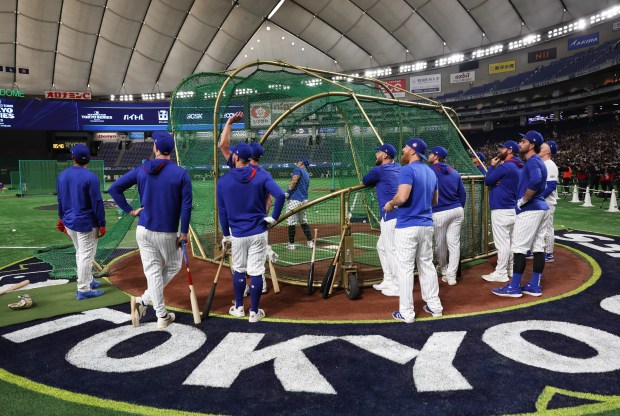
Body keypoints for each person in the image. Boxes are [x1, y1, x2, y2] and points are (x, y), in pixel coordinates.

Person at [109, 131, 192, 329]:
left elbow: (114, 189)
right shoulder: (181, 173)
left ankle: (155, 310)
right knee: (172, 266)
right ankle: (150, 306)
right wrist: (184, 232)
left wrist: (130, 210)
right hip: (167, 231)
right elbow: (186, 206)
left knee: (153, 272)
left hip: (144, 229)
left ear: (155, 148)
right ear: (171, 151)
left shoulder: (142, 169)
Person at [217, 143, 285, 322]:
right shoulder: (262, 176)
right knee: (256, 272)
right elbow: (280, 195)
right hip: (258, 231)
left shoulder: (223, 181)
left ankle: (239, 307)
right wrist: (274, 217)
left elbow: (222, 212)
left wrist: (226, 235)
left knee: (239, 270)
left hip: (237, 234)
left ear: (236, 158)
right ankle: (254, 312)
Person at [384, 138, 443, 323]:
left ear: (412, 151)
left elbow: (402, 197)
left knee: (405, 269)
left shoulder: (407, 170)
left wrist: (391, 204)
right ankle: (435, 306)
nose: (403, 149)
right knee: (426, 265)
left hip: (407, 226)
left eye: (406, 148)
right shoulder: (431, 172)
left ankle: (407, 313)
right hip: (426, 225)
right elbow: (435, 201)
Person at [492, 130, 549, 298]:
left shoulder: (532, 161)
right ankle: (534, 285)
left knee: (519, 248)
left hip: (530, 209)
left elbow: (536, 180)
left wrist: (524, 199)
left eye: (523, 141)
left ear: (532, 145)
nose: (520, 144)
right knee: (538, 247)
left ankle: (514, 287)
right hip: (541, 207)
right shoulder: (538, 161)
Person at [56, 144, 106, 300]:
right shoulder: (91, 177)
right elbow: (97, 202)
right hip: (86, 223)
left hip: (70, 221)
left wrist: (61, 218)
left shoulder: (62, 175)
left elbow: (60, 199)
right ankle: (83, 289)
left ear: (73, 158)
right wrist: (102, 223)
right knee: (86, 255)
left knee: (81, 253)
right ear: (88, 160)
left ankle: (88, 280)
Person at [362, 143, 400, 297]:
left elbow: (365, 180)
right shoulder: (399, 167)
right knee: (382, 247)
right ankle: (389, 279)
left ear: (385, 155)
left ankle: (397, 286)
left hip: (390, 216)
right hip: (400, 215)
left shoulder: (380, 169)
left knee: (391, 250)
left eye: (378, 153)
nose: (375, 155)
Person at [481, 141, 523, 283]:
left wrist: (492, 166)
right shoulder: (519, 166)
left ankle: (501, 272)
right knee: (510, 242)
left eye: (503, 148)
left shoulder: (506, 166)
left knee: (502, 243)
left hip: (501, 208)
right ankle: (510, 268)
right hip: (512, 208)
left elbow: (488, 180)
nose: (500, 150)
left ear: (510, 150)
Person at [428, 146, 466, 286]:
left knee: (441, 244)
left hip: (439, 212)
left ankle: (444, 269)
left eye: (431, 154)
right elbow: (463, 194)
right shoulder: (454, 172)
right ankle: (452, 276)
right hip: (457, 210)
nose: (429, 156)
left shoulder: (430, 171)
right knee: (454, 244)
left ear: (436, 157)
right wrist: (458, 207)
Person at [285, 156, 313, 250]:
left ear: (301, 163)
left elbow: (294, 180)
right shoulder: (306, 173)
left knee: (291, 222)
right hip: (304, 200)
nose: (297, 163)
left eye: (298, 161)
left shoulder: (298, 170)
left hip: (294, 200)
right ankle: (310, 242)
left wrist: (288, 192)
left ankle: (291, 244)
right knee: (303, 221)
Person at [540, 140, 559, 263]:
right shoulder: (543, 163)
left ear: (548, 151)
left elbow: (551, 185)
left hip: (547, 201)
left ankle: (549, 253)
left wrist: (538, 197)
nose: (539, 149)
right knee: (538, 228)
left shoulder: (550, 164)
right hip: (542, 201)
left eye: (542, 148)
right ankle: (535, 251)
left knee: (547, 228)